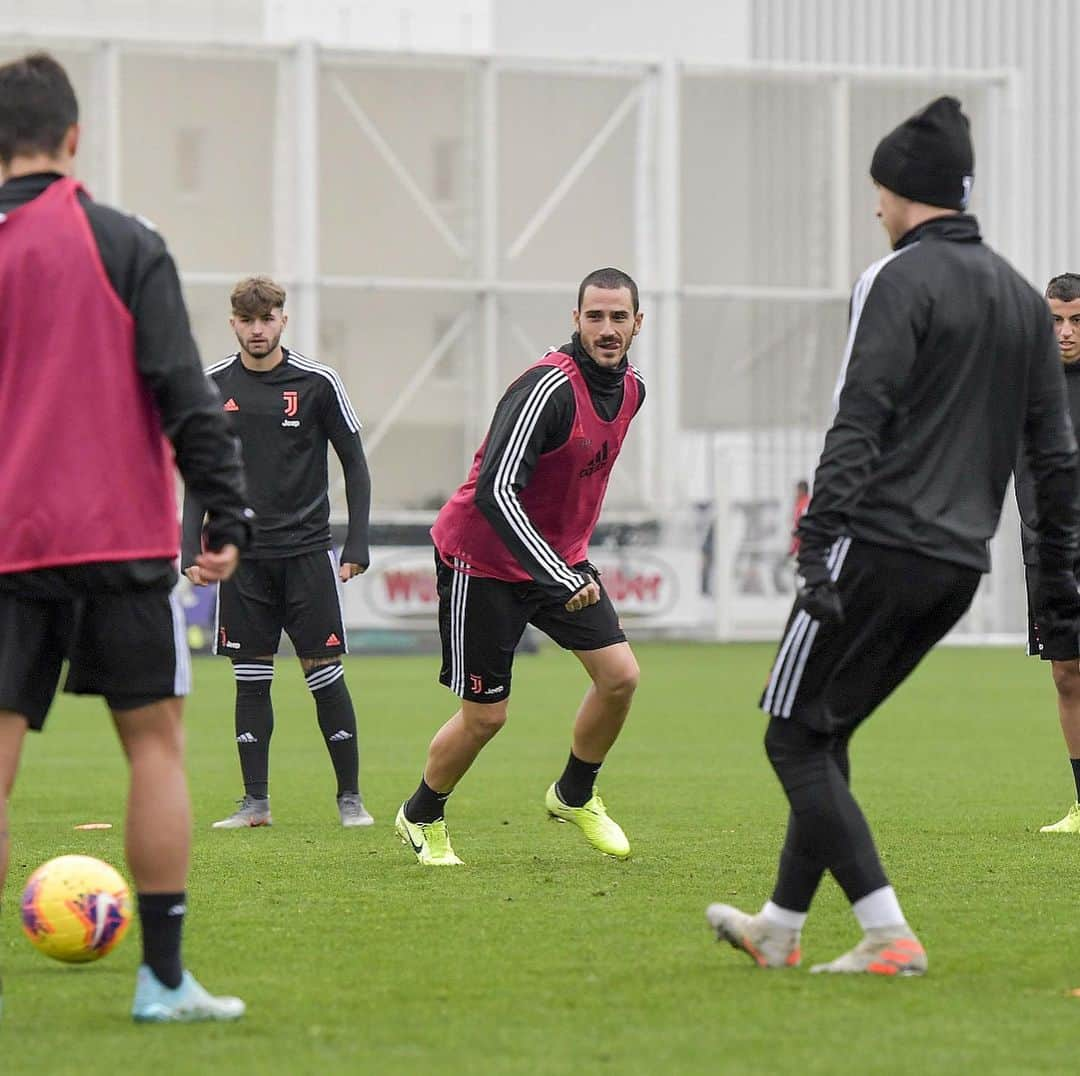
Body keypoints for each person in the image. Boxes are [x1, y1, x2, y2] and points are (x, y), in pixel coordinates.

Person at [705, 97, 1080, 976]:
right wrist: (1060, 585)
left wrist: (814, 539)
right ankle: (781, 927)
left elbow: (857, 418)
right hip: (959, 564)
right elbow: (1055, 464)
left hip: (872, 544)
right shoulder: (1027, 301)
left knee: (791, 738)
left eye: (877, 191)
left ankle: (886, 932)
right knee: (826, 736)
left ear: (902, 191)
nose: (875, 208)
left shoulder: (895, 278)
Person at [0, 52, 252, 1021]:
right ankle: (162, 979)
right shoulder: (125, 241)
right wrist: (224, 510)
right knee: (154, 745)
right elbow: (184, 392)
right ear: (73, 137)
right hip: (117, 538)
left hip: (9, 544)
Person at [395, 267, 646, 865]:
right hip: (480, 562)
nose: (607, 329)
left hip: (558, 563)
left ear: (639, 322)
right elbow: (495, 490)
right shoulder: (547, 389)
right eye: (595, 316)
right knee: (486, 718)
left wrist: (566, 563)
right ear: (576, 320)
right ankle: (420, 815)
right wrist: (559, 574)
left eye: (618, 317)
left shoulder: (633, 389)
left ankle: (573, 794)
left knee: (620, 678)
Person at [182, 276, 373, 830]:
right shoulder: (213, 384)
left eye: (267, 319)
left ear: (283, 320)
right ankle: (255, 804)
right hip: (241, 557)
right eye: (248, 320)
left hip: (308, 552)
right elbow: (199, 473)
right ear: (233, 323)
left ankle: (350, 800)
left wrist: (357, 540)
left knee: (323, 670)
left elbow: (355, 465)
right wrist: (187, 544)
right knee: (249, 675)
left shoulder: (317, 382)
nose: (258, 329)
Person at [1017, 273, 1080, 833]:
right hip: (1048, 555)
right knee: (1067, 674)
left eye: (1077, 320)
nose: (1064, 332)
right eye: (1055, 319)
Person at [788, 480, 810, 557]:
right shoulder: (801, 503)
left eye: (797, 490)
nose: (795, 493)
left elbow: (801, 526)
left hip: (803, 546)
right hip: (803, 545)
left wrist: (792, 549)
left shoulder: (804, 506)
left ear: (802, 490)